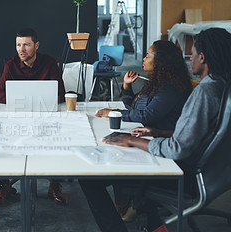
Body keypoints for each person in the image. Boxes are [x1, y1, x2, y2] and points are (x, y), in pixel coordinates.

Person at [79, 27, 231, 232]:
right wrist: (159, 133)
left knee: (90, 178)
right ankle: (152, 221)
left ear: (202, 57)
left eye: (192, 54)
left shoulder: (205, 92)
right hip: (208, 171)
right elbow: (204, 134)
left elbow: (177, 149)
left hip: (179, 169)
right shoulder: (221, 86)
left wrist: (134, 141)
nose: (190, 59)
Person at [0, 28, 68, 205]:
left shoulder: (49, 63)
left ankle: (55, 183)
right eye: (18, 45)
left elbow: (60, 94)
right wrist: (24, 100)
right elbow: (1, 95)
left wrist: (32, 99)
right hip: (17, 116)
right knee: (0, 138)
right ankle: (5, 184)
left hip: (45, 115)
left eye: (26, 44)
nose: (22, 49)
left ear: (36, 45)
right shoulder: (10, 65)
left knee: (58, 138)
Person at [96, 40, 193, 131]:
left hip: (156, 138)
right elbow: (132, 107)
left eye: (147, 56)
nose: (144, 59)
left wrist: (113, 113)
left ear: (160, 61)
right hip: (143, 130)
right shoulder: (157, 82)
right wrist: (127, 85)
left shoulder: (170, 88)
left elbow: (146, 116)